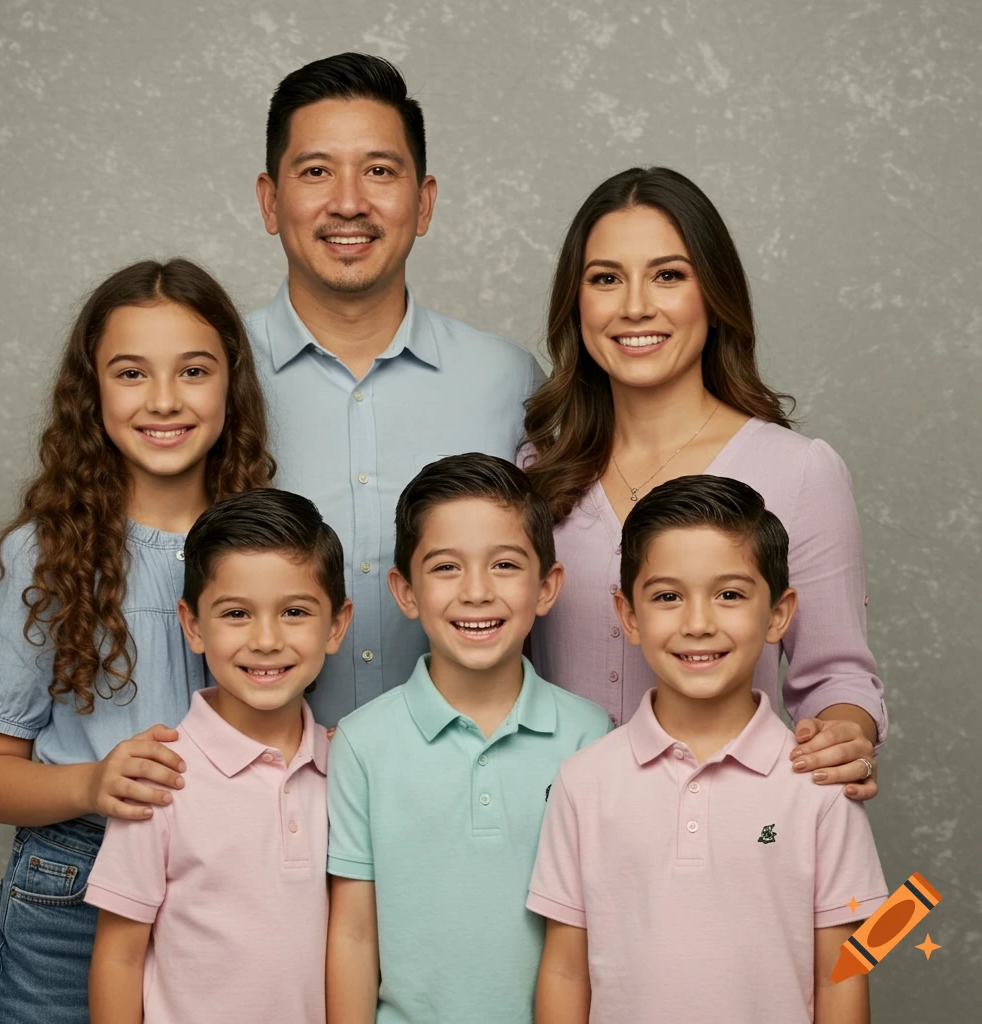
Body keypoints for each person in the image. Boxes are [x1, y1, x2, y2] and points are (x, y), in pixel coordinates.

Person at [0, 260, 275, 1024]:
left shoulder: (268, 547)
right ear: (91, 390)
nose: (164, 399)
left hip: (230, 885)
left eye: (193, 370)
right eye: (131, 372)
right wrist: (91, 783)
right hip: (73, 893)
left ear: (230, 385)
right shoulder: (40, 557)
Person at [521, 166, 885, 797]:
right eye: (606, 278)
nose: (635, 305)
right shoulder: (534, 472)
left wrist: (844, 735)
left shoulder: (799, 471)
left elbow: (837, 676)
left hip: (728, 826)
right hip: (554, 829)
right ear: (575, 306)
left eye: (669, 275)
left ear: (713, 297)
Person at [247, 53, 544, 724]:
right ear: (269, 200)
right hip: (261, 779)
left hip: (466, 775)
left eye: (379, 171)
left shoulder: (510, 381)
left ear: (425, 201)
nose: (349, 202)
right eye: (316, 171)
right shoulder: (204, 378)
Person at [529, 475, 888, 1024]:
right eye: (668, 597)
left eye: (730, 595)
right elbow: (565, 971)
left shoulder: (821, 786)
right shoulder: (583, 782)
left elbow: (843, 971)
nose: (698, 623)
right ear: (629, 616)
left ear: (779, 614)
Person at [325, 454, 610, 1024]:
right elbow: (354, 933)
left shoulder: (591, 736)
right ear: (406, 591)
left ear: (547, 586)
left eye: (504, 564)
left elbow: (596, 925)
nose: (476, 591)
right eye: (446, 567)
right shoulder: (361, 743)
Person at [85, 488, 352, 1024]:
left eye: (294, 612)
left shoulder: (345, 768)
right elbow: (118, 957)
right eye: (236, 613)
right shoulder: (161, 776)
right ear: (192, 625)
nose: (266, 640)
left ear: (336, 626)